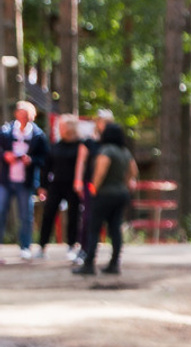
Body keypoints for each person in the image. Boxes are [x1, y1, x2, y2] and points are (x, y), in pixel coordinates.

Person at [79, 122, 136, 277]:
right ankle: (114, 263)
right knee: (115, 229)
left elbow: (101, 170)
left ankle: (89, 263)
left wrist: (94, 188)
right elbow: (133, 170)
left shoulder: (106, 151)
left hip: (105, 194)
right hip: (121, 194)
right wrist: (123, 184)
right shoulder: (124, 151)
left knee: (94, 228)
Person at [36, 113, 86, 263]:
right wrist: (43, 186)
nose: (60, 129)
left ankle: (72, 245)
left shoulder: (81, 146)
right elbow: (46, 167)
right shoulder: (55, 146)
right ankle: (42, 245)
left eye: (63, 127)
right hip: (56, 185)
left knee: (73, 215)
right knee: (48, 213)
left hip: (74, 186)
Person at [1, 101, 47, 260]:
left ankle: (25, 247)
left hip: (26, 181)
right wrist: (5, 156)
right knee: (1, 212)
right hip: (6, 180)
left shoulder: (38, 135)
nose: (23, 118)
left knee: (26, 215)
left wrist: (32, 160)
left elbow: (45, 159)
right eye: (21, 114)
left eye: (26, 115)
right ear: (16, 114)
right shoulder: (5, 132)